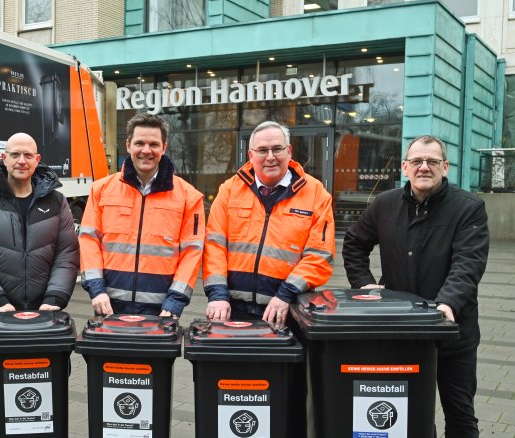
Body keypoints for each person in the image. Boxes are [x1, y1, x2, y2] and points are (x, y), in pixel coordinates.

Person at [343, 135, 489, 438]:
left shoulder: (469, 208)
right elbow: (354, 245)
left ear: (445, 167)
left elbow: (468, 263)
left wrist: (447, 302)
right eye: (418, 161)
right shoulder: (384, 204)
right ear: (405, 167)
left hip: (452, 332)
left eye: (433, 161)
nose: (425, 167)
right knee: (407, 413)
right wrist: (366, 286)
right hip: (402, 332)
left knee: (461, 415)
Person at [203, 121, 335, 325]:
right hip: (232, 310)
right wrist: (217, 295)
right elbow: (214, 247)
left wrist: (285, 294)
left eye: (277, 149)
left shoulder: (316, 194)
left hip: (289, 310)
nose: (270, 157)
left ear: (289, 151)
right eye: (262, 150)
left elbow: (319, 256)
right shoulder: (229, 190)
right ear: (251, 155)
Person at [79, 113, 205, 317]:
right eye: (139, 143)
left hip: (162, 312)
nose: (146, 151)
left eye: (154, 144)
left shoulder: (189, 197)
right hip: (109, 308)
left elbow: (192, 252)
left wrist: (175, 302)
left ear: (163, 148)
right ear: (128, 145)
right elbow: (89, 241)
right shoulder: (100, 190)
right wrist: (96, 290)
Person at [0, 132, 79, 318]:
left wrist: (54, 298)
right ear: (4, 158)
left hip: (45, 313)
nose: (21, 161)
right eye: (15, 155)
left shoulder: (56, 201)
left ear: (37, 159)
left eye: (28, 155)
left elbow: (67, 253)